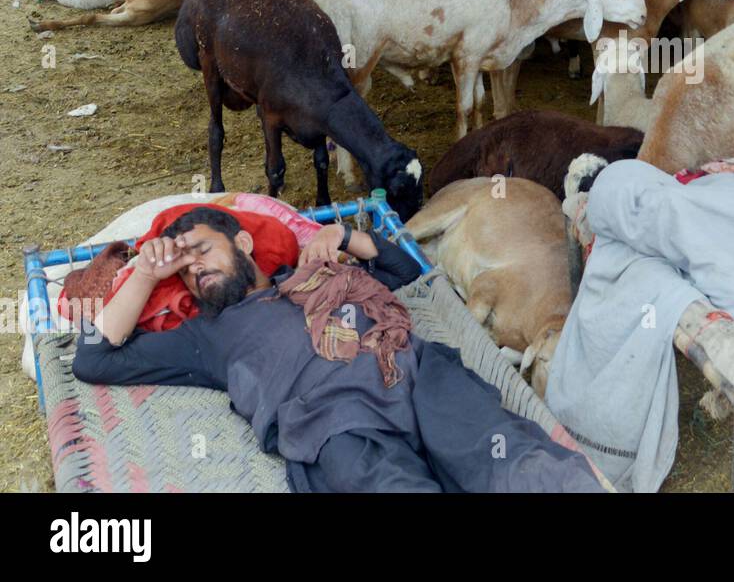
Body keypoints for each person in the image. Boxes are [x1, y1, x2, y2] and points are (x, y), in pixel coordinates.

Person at [71, 205, 605, 492]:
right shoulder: (204, 338)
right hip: (336, 424)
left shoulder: (313, 273)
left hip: (413, 373)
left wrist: (347, 240)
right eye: (184, 271)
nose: (196, 271)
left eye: (203, 252)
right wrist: (145, 272)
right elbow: (95, 359)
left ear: (243, 243)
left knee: (514, 462)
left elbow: (408, 277)